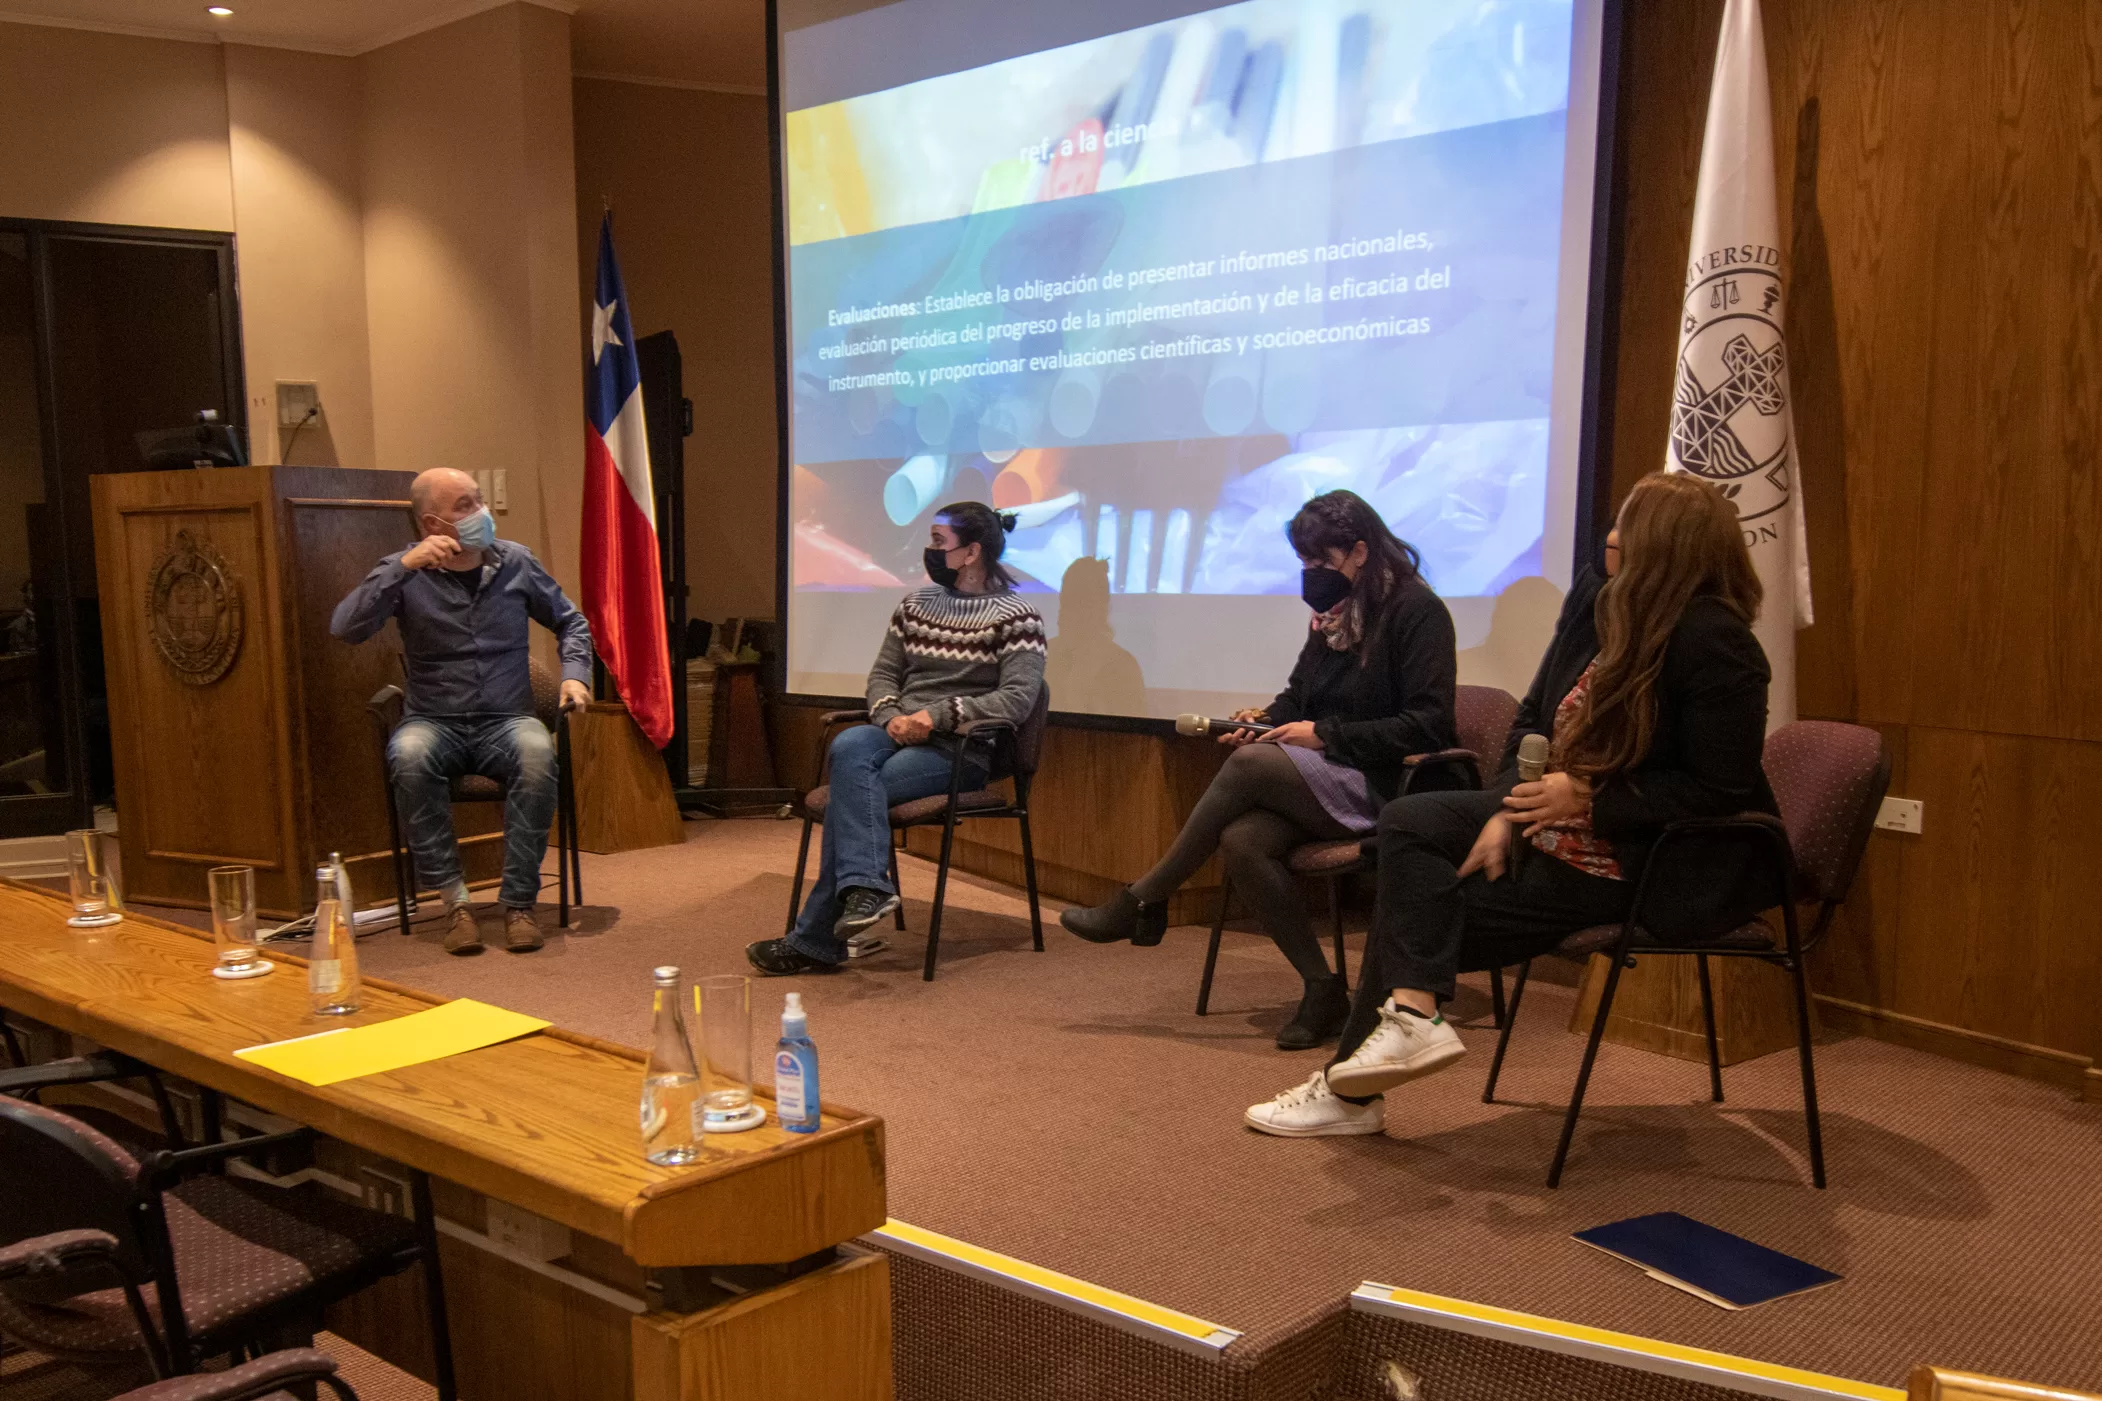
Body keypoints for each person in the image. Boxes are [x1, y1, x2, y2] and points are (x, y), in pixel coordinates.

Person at [1244, 470, 1777, 1135]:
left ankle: (1354, 1087)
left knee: (1414, 906)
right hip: (1552, 826)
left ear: (1666, 547)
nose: (1609, 537)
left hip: (1638, 858)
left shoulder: (1716, 642)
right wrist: (1505, 808)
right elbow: (1532, 721)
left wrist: (1586, 796)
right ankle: (1402, 1027)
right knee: (1409, 833)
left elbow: (1719, 789)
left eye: (1625, 526)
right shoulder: (1601, 604)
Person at [1061, 490, 1458, 1050]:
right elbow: (1299, 696)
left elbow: (1428, 725)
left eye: (1320, 560)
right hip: (1332, 773)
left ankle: (1144, 898)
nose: (1310, 573)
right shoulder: (1333, 618)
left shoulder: (1418, 611)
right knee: (1242, 840)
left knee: (1249, 765)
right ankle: (1322, 989)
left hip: (1391, 783)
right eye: (1303, 561)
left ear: (1360, 551)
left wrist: (1324, 734)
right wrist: (1265, 721)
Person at [747, 502, 1047, 976]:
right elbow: (884, 675)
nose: (929, 550)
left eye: (938, 542)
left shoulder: (1018, 616)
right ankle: (867, 888)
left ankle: (815, 939)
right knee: (848, 745)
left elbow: (1017, 700)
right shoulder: (914, 604)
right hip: (898, 731)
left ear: (971, 552)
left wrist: (936, 715)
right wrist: (890, 716)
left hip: (960, 748)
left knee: (851, 794)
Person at [331, 468, 591, 956]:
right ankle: (456, 904)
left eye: (480, 501)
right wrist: (401, 568)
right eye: (466, 506)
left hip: (506, 719)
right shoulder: (403, 571)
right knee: (408, 754)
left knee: (537, 754)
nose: (482, 513)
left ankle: (519, 903)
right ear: (433, 524)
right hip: (434, 721)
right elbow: (346, 627)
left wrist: (575, 675)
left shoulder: (516, 562)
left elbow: (570, 621)